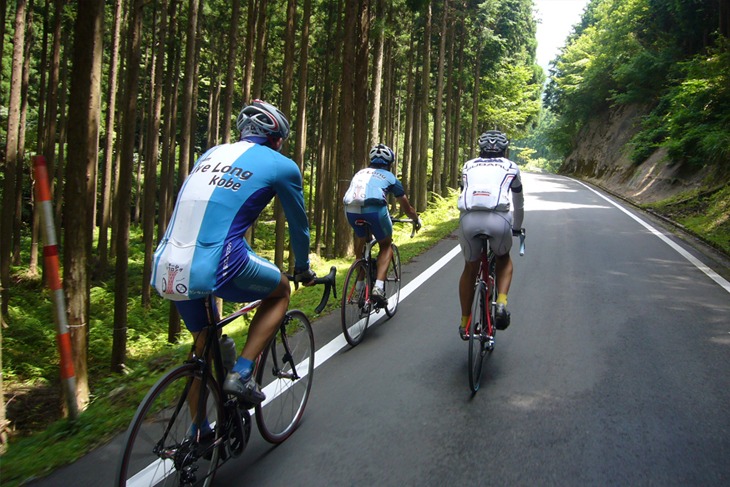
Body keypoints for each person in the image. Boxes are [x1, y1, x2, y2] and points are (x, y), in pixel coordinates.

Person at [151, 100, 315, 416]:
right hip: (217, 263)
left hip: (168, 264)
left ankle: (199, 435)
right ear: (277, 139)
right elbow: (299, 226)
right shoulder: (281, 164)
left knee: (203, 348)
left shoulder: (210, 154)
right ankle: (241, 372)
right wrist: (303, 268)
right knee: (281, 290)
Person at [456, 130, 524, 338]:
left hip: (469, 219)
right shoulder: (511, 167)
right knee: (503, 257)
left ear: (481, 149)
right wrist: (516, 228)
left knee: (470, 267)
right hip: (498, 219)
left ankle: (465, 322)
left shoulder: (468, 165)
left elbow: (463, 191)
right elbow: (518, 203)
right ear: (505, 150)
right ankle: (501, 302)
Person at [343, 143, 421, 306]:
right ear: (389, 163)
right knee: (386, 245)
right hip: (375, 209)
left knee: (362, 241)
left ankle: (358, 288)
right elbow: (407, 207)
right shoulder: (390, 177)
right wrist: (415, 219)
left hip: (350, 209)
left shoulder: (359, 173)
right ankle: (378, 287)